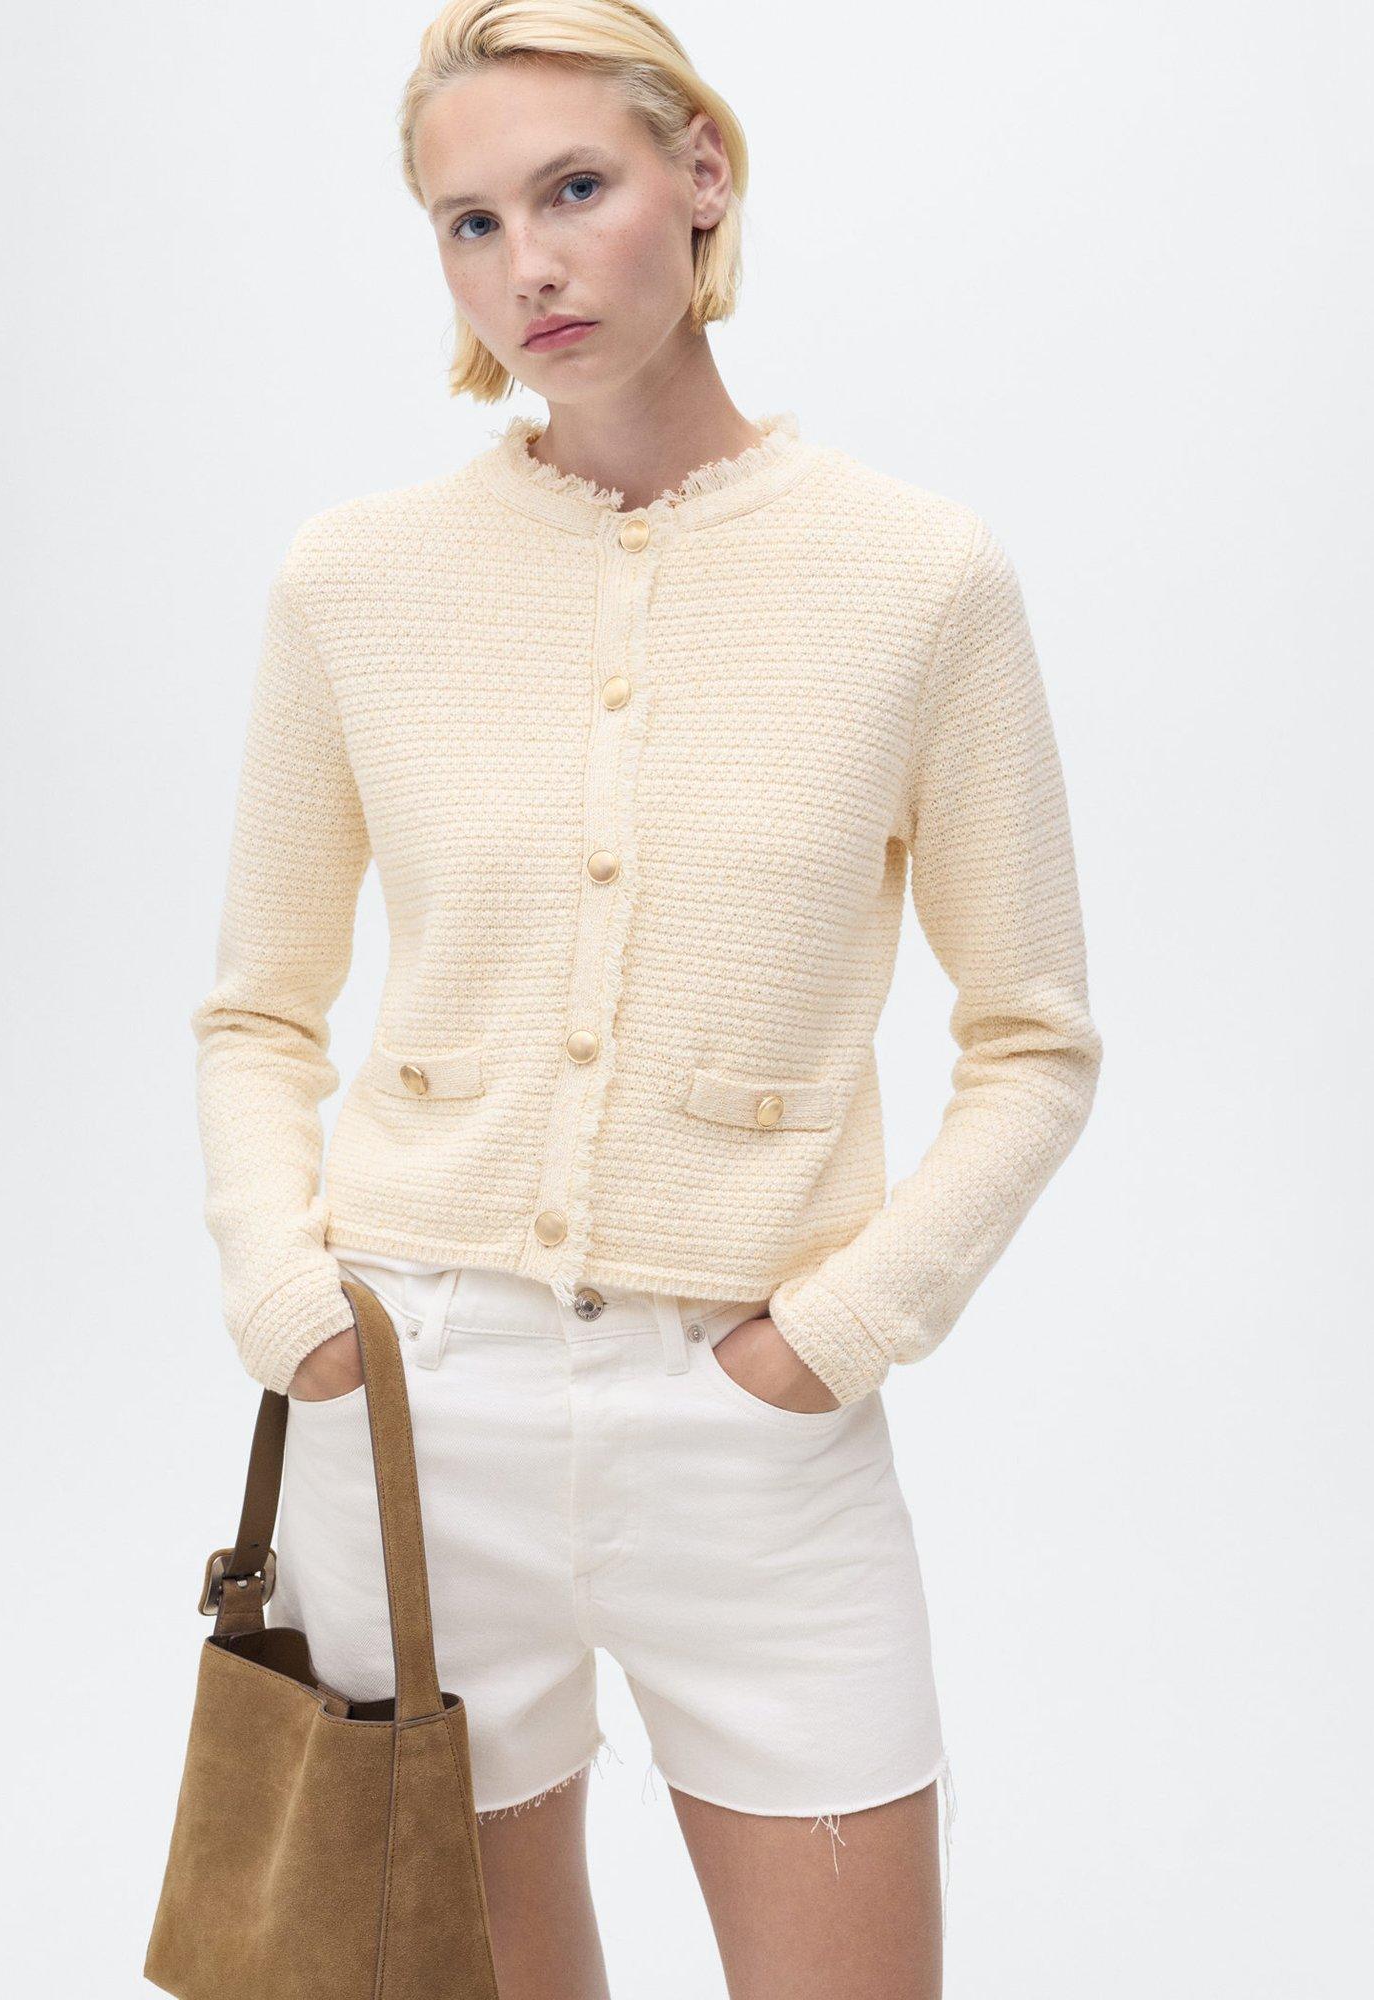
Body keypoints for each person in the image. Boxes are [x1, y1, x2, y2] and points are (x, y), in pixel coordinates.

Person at [187, 4, 1103, 1994]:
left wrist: (831, 1339)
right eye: (470, 221)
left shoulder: (918, 579)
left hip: (754, 1426)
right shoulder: (355, 583)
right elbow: (259, 1011)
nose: (527, 262)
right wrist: (291, 1303)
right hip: (411, 1413)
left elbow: (1032, 1037)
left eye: (574, 188)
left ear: (702, 175)